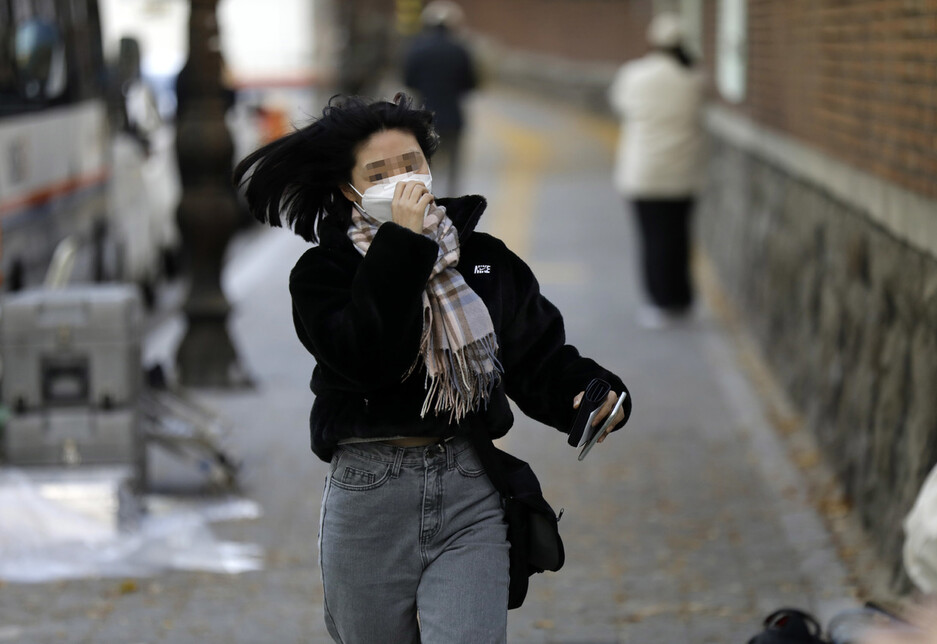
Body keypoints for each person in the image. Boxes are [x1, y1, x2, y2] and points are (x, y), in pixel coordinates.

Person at [232, 94, 632, 643]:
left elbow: (536, 355)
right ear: (348, 189)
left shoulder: (483, 258)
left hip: (469, 487)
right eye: (379, 173)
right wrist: (401, 246)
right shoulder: (323, 274)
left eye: (412, 164)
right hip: (368, 496)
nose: (404, 182)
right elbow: (369, 360)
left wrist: (591, 392)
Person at [609, 11, 704, 329]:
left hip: (643, 173)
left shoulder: (634, 74)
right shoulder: (692, 79)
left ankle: (658, 302)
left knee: (652, 239)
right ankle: (682, 298)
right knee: (678, 237)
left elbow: (620, 105)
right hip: (683, 173)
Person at [403, 0, 477, 197]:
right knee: (453, 167)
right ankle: (454, 205)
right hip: (453, 117)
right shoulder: (460, 50)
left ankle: (428, 205)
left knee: (427, 166)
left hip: (425, 117)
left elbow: (409, 81)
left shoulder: (417, 49)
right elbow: (471, 83)